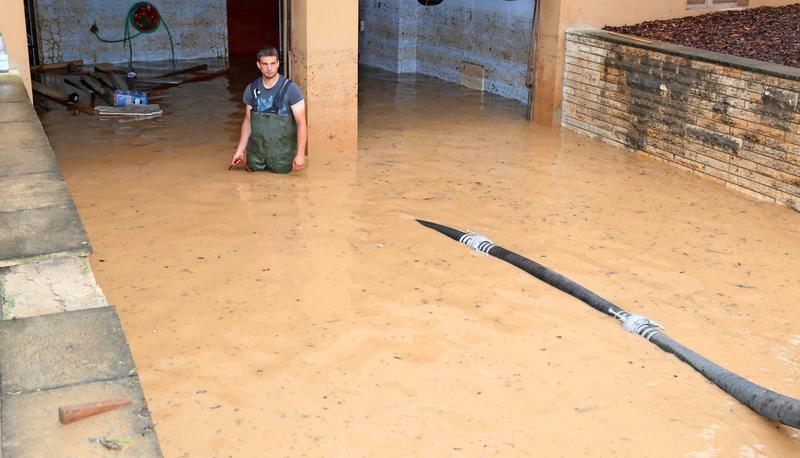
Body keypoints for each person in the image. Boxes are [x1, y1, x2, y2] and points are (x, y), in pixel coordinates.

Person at [230, 46, 307, 173]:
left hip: (283, 158)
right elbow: (248, 122)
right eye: (265, 64)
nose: (269, 68)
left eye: (272, 63)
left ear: (278, 64)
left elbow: (301, 123)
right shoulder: (251, 89)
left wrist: (300, 155)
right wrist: (240, 151)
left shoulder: (291, 89)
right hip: (256, 157)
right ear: (258, 65)